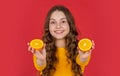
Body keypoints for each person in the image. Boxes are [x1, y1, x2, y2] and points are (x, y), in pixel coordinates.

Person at [28, 5, 95, 76]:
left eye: (63, 21)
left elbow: (82, 61)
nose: (58, 26)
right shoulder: (41, 49)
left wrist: (83, 57)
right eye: (53, 22)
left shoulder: (80, 48)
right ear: (48, 26)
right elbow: (40, 66)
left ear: (70, 24)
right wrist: (41, 59)